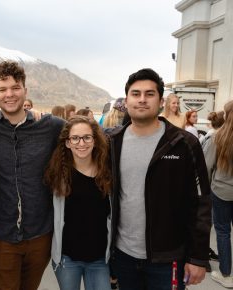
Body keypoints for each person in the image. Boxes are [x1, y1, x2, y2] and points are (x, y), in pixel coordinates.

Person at [109, 68, 211, 290]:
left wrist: (198, 258)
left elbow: (201, 202)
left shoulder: (184, 144)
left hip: (168, 257)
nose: (142, 100)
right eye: (135, 94)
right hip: (123, 255)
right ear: (126, 100)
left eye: (149, 94)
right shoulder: (112, 142)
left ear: (161, 101)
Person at [0, 61, 65, 290]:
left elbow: (84, 134)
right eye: (2, 89)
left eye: (15, 88)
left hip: (40, 232)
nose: (9, 94)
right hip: (4, 233)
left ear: (25, 90)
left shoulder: (51, 126)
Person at [45, 115, 112, 290]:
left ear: (95, 140)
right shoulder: (58, 174)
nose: (81, 143)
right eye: (75, 138)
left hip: (100, 258)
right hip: (67, 258)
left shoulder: (108, 172)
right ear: (67, 142)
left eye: (87, 137)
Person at [204, 100, 233, 288]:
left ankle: (226, 274)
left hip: (221, 190)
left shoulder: (218, 137)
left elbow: (206, 166)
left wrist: (204, 192)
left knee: (222, 232)